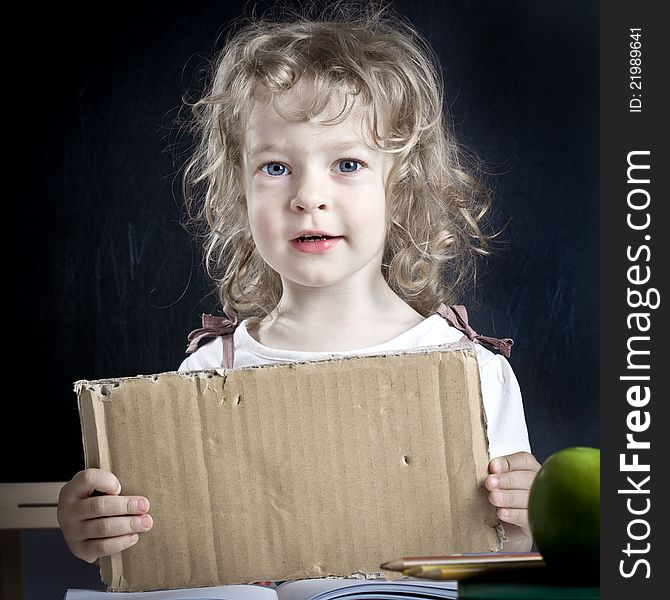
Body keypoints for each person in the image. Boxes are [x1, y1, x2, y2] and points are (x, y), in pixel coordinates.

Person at [57, 1, 540, 567]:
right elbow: (174, 547)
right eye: (276, 168)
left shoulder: (473, 372)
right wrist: (94, 525)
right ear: (241, 192)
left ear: (399, 189)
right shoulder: (213, 371)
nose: (308, 197)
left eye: (348, 164)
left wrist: (528, 517)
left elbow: (503, 550)